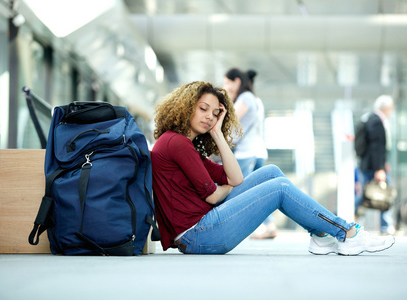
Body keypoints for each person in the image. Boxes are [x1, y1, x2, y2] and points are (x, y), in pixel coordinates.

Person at [151, 81, 395, 255]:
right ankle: (346, 233)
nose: (209, 117)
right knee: (279, 188)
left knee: (271, 172)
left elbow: (234, 179)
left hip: (202, 228)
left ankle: (320, 237)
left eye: (215, 114)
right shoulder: (177, 142)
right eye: (203, 108)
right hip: (198, 235)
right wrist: (224, 188)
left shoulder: (185, 144)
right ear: (186, 106)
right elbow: (214, 195)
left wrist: (217, 134)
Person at [246, 69, 278, 239]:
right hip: (259, 150)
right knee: (259, 189)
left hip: (248, 152)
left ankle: (259, 227)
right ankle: (269, 225)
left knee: (245, 191)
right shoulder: (258, 101)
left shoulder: (245, 101)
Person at [357, 95, 396, 234]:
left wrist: (383, 163)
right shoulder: (377, 121)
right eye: (391, 107)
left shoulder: (369, 118)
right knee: (384, 193)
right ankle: (386, 225)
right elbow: (376, 147)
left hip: (369, 165)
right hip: (373, 167)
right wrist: (379, 168)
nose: (392, 110)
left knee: (367, 195)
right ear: (385, 108)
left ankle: (354, 223)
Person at [223, 68, 259, 177]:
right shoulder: (249, 97)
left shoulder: (246, 98)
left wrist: (227, 98)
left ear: (237, 81)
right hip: (245, 151)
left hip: (241, 153)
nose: (226, 87)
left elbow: (229, 118)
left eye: (228, 83)